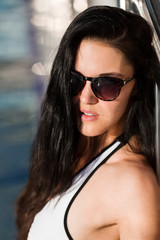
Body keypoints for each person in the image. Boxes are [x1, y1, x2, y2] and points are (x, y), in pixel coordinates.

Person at [16, 5, 160, 240]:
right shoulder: (71, 149)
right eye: (75, 80)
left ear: (137, 87)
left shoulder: (132, 185)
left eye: (107, 85)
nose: (85, 98)